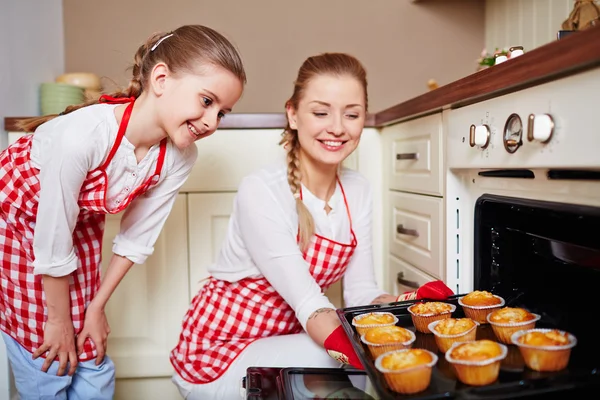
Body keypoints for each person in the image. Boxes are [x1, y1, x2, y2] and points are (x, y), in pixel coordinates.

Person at [169, 52, 453, 399]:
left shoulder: (358, 190)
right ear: (292, 114)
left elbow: (361, 294)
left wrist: (407, 305)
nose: (337, 127)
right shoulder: (263, 190)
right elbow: (310, 305)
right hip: (220, 353)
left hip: (286, 340)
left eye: (352, 114)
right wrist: (379, 361)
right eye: (321, 112)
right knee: (340, 361)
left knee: (348, 359)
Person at [0, 24, 245, 400]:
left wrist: (96, 308)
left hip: (74, 223)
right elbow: (51, 242)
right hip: (15, 223)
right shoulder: (82, 136)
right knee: (48, 353)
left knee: (90, 352)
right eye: (207, 101)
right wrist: (57, 319)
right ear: (160, 79)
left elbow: (136, 240)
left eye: (222, 113)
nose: (212, 122)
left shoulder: (179, 156)